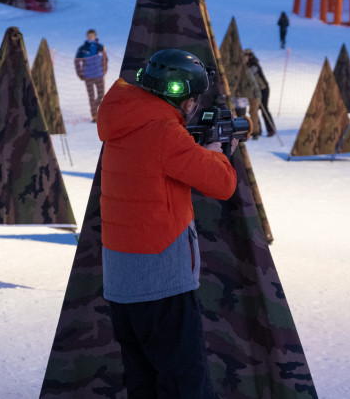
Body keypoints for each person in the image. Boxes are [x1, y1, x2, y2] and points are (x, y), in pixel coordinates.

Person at [97, 48, 238, 398]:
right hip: (161, 281)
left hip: (121, 280)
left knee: (143, 383)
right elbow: (223, 185)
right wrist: (219, 152)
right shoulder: (164, 133)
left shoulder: (123, 119)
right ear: (186, 100)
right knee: (185, 386)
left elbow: (153, 164)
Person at [74, 29, 108, 122]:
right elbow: (77, 62)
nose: (90, 37)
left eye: (92, 35)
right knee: (91, 96)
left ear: (95, 36)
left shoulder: (101, 47)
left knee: (101, 95)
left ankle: (98, 111)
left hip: (99, 75)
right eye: (89, 35)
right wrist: (80, 74)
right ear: (87, 36)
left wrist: (104, 71)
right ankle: (94, 116)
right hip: (88, 76)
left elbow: (105, 60)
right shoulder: (82, 49)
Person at [244, 49, 276, 137]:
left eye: (245, 56)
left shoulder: (254, 65)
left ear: (249, 56)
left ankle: (271, 129)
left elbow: (249, 74)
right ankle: (258, 130)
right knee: (255, 110)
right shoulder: (247, 65)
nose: (244, 58)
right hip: (255, 91)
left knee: (264, 108)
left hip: (263, 89)